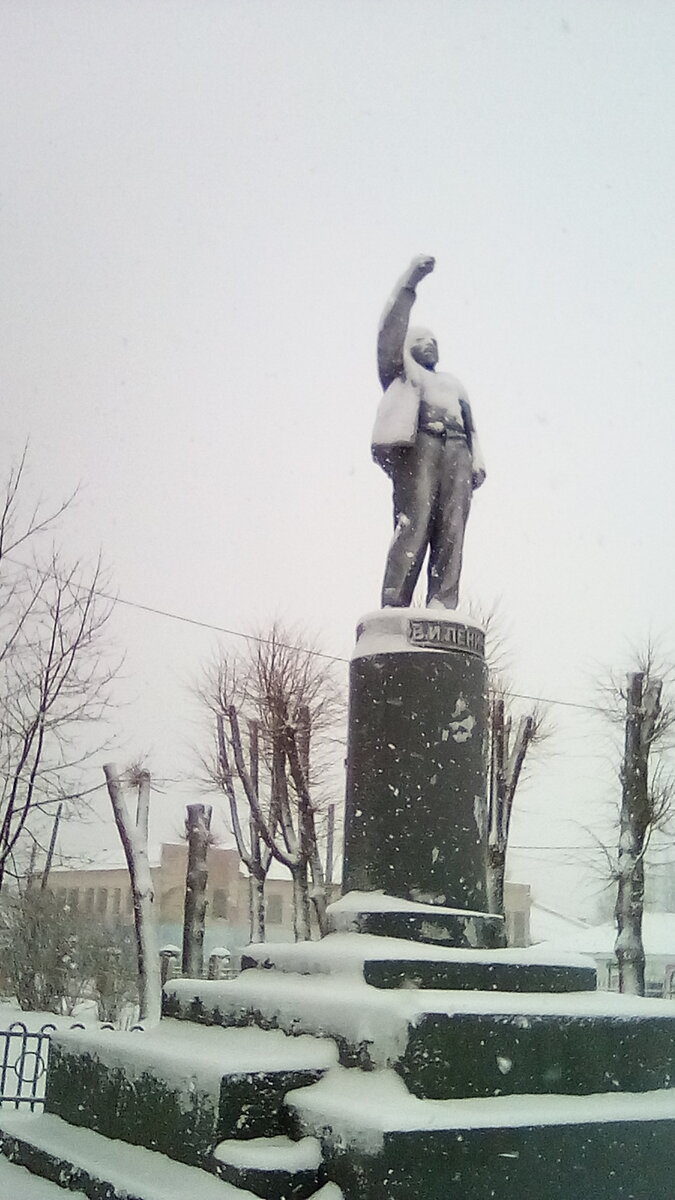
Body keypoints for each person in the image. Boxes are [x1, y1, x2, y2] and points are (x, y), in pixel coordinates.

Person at [372, 255, 486, 610]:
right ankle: (395, 604)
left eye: (435, 340)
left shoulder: (454, 383)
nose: (432, 343)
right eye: (423, 339)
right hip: (421, 446)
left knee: (452, 530)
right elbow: (390, 331)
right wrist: (411, 281)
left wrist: (478, 460)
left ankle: (442, 603)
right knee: (414, 523)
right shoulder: (404, 374)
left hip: (458, 452)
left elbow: (472, 427)